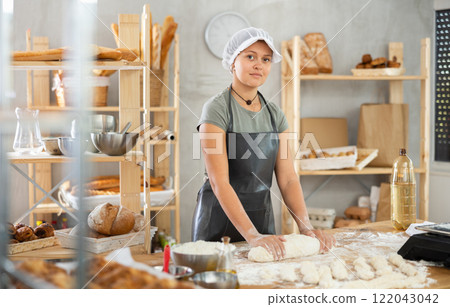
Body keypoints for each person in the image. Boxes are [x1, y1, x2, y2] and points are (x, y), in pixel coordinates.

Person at [192, 27, 335, 260]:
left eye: (266, 59)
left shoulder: (275, 114)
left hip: (262, 223)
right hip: (217, 226)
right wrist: (251, 235)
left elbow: (288, 179)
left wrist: (306, 227)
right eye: (250, 56)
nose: (259, 64)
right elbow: (219, 183)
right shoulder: (216, 109)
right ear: (232, 62)